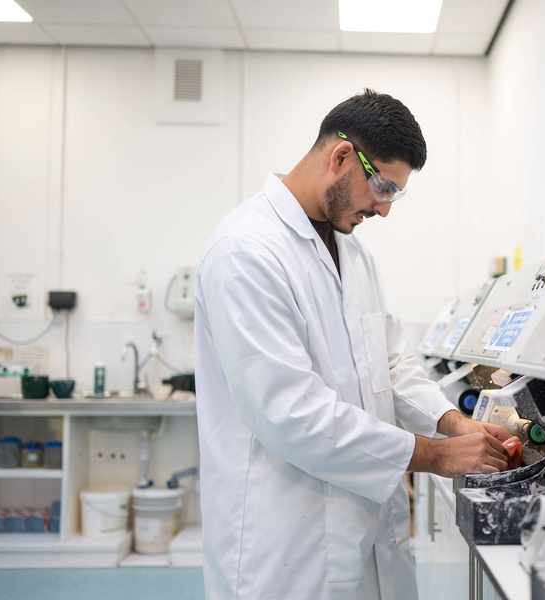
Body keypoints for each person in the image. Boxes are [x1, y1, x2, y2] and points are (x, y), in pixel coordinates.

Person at [195, 89, 510, 600]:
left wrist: (453, 423)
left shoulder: (353, 253)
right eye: (383, 187)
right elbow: (290, 412)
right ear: (342, 157)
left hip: (362, 528)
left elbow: (390, 362)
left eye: (395, 194)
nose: (384, 209)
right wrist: (435, 456)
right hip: (285, 545)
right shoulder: (246, 252)